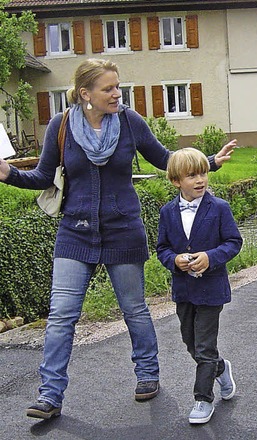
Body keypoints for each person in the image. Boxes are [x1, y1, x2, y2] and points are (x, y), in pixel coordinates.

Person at [0, 58, 237, 419]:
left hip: (123, 230)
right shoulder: (60, 126)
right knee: (61, 315)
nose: (117, 93)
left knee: (134, 310)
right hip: (74, 233)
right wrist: (7, 173)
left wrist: (209, 161)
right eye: (108, 88)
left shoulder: (129, 122)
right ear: (85, 94)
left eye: (117, 86)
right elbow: (42, 176)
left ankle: (147, 375)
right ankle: (49, 395)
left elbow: (165, 159)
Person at [156, 148, 242, 424]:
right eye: (192, 175)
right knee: (190, 343)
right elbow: (162, 248)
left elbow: (233, 242)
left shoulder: (219, 208)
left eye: (203, 173)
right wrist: (174, 260)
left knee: (204, 345)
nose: (200, 179)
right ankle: (220, 368)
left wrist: (210, 257)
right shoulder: (167, 212)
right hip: (184, 289)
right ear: (176, 181)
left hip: (211, 288)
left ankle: (203, 399)